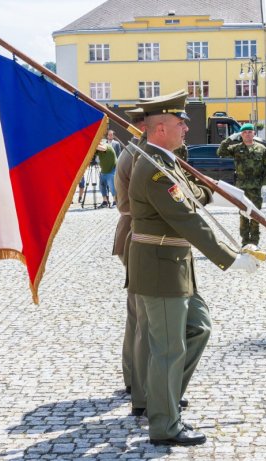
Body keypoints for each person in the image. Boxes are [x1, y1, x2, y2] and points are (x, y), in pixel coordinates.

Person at [129, 90, 259, 446]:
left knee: (198, 328)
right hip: (160, 267)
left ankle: (165, 398)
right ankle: (165, 424)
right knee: (168, 348)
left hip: (175, 266)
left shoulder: (165, 161)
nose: (186, 129)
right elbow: (186, 218)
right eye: (179, 123)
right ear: (159, 130)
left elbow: (190, 195)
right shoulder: (153, 169)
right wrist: (231, 257)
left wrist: (217, 191)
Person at [112, 108, 148, 414]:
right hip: (137, 233)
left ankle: (133, 377)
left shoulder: (132, 151)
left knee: (137, 312)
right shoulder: (137, 154)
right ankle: (138, 381)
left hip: (131, 232)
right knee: (141, 314)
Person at [216, 123, 266, 246]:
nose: (247, 134)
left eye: (249, 132)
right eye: (244, 132)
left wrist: (265, 183)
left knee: (256, 214)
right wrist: (230, 139)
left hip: (256, 187)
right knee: (243, 214)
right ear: (241, 134)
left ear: (254, 134)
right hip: (241, 188)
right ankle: (245, 242)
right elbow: (220, 151)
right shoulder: (236, 148)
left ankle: (255, 241)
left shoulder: (261, 149)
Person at [95, 140, 117, 208]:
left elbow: (103, 148)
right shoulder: (99, 150)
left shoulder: (107, 145)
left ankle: (115, 201)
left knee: (112, 187)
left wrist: (93, 146)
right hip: (103, 171)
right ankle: (105, 201)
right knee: (102, 187)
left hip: (111, 170)